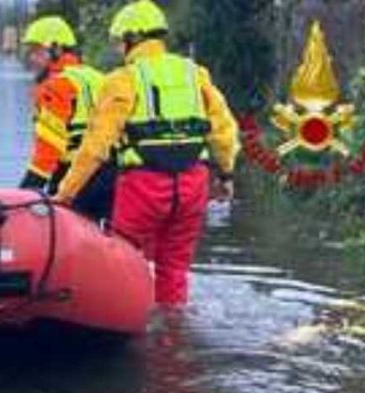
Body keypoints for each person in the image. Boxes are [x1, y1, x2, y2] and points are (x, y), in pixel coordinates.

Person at [54, 0, 239, 308]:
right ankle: (171, 335)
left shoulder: (123, 80)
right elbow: (224, 130)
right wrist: (227, 174)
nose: (117, 49)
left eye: (118, 42)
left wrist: (65, 194)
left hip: (144, 187)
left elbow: (95, 147)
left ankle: (122, 327)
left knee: (122, 261)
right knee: (175, 270)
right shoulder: (195, 74)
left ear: (132, 39)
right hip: (193, 184)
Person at [18, 16, 116, 222]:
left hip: (74, 178)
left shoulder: (55, 86)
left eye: (37, 51)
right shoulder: (101, 78)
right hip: (111, 176)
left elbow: (49, 150)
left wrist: (22, 195)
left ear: (56, 50)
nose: (31, 58)